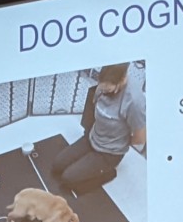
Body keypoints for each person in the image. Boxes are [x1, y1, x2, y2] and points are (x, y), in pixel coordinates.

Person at [50, 62, 146, 193]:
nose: (103, 91)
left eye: (108, 89)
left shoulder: (134, 101)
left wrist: (117, 142)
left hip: (109, 153)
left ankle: (108, 173)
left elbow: (140, 139)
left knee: (68, 178)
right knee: (57, 165)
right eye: (102, 87)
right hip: (92, 138)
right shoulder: (102, 85)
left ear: (122, 80)